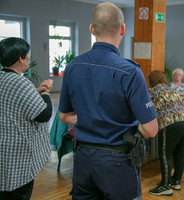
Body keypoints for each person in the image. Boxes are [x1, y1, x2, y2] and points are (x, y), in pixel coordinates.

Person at [58, 3, 158, 200]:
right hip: (118, 160)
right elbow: (151, 129)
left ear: (92, 29)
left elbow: (64, 116)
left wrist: (90, 120)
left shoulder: (72, 67)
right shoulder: (130, 71)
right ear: (122, 29)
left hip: (83, 159)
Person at [0, 37, 53, 199]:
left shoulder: (3, 78)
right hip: (17, 156)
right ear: (20, 59)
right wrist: (45, 93)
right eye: (27, 54)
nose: (29, 57)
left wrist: (36, 90)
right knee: (18, 193)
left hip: (3, 149)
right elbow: (44, 114)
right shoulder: (20, 82)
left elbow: (13, 100)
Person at [148, 71, 184, 196]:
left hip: (171, 123)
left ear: (151, 80)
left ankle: (165, 186)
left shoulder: (152, 91)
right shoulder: (171, 88)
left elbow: (150, 109)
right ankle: (175, 181)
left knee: (165, 154)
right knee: (179, 152)